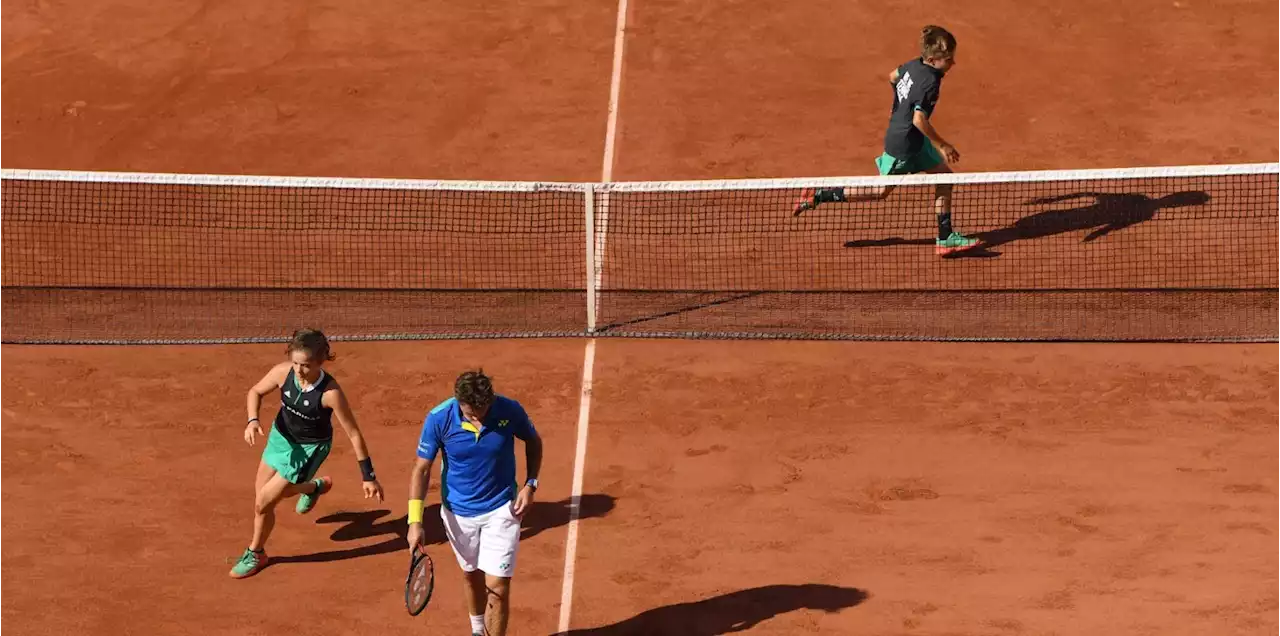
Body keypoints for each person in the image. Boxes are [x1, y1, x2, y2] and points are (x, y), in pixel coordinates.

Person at [794, 25, 983, 256]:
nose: (952, 64)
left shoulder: (915, 64)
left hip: (913, 140)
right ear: (933, 59)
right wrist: (943, 145)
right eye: (948, 59)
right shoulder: (930, 82)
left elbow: (893, 76)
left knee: (945, 178)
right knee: (879, 191)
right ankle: (818, 195)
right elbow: (918, 120)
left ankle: (945, 237)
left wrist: (897, 106)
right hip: (904, 145)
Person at [230, 328, 385, 579]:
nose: (299, 371)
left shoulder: (330, 393)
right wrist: (252, 420)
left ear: (321, 360)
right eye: (295, 363)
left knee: (263, 503)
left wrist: (368, 476)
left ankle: (256, 553)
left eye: (306, 365)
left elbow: (354, 433)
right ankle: (312, 488)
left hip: (308, 449)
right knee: (263, 496)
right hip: (280, 439)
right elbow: (255, 392)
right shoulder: (283, 372)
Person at [406, 370, 543, 636]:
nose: (478, 417)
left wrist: (530, 484)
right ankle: (478, 630)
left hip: (502, 508)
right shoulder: (439, 418)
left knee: (498, 587)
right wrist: (415, 521)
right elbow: (421, 469)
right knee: (471, 576)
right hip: (458, 513)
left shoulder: (509, 410)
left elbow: (533, 441)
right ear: (458, 401)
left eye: (483, 410)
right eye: (471, 413)